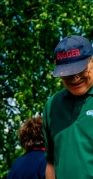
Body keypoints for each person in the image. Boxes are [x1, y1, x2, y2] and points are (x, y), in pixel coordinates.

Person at [43, 35, 93, 179]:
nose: (76, 79)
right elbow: (51, 162)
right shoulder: (52, 105)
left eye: (81, 71)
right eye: (68, 75)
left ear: (91, 62)